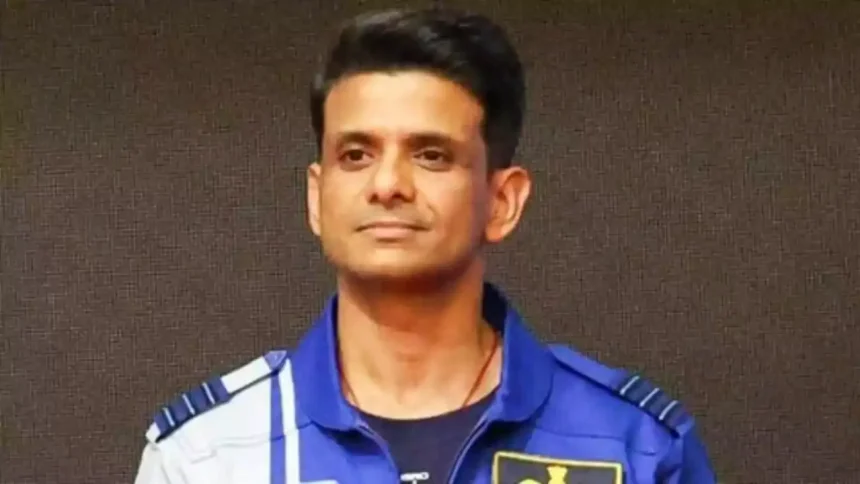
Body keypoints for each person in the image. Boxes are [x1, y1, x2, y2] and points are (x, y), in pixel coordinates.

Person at [133, 7, 716, 484]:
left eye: (431, 155)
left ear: (503, 201)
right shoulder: (207, 455)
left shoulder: (633, 445)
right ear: (316, 196)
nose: (387, 184)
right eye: (355, 155)